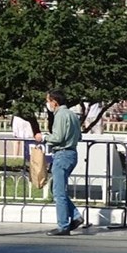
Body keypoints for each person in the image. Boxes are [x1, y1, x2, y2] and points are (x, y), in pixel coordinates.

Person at [33, 90, 84, 236]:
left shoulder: (60, 115)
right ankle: (75, 216)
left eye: (48, 100)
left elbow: (58, 137)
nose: (47, 104)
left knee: (59, 192)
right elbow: (79, 136)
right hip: (71, 153)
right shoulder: (72, 114)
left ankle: (63, 225)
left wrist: (43, 137)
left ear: (54, 102)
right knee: (55, 189)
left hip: (62, 154)